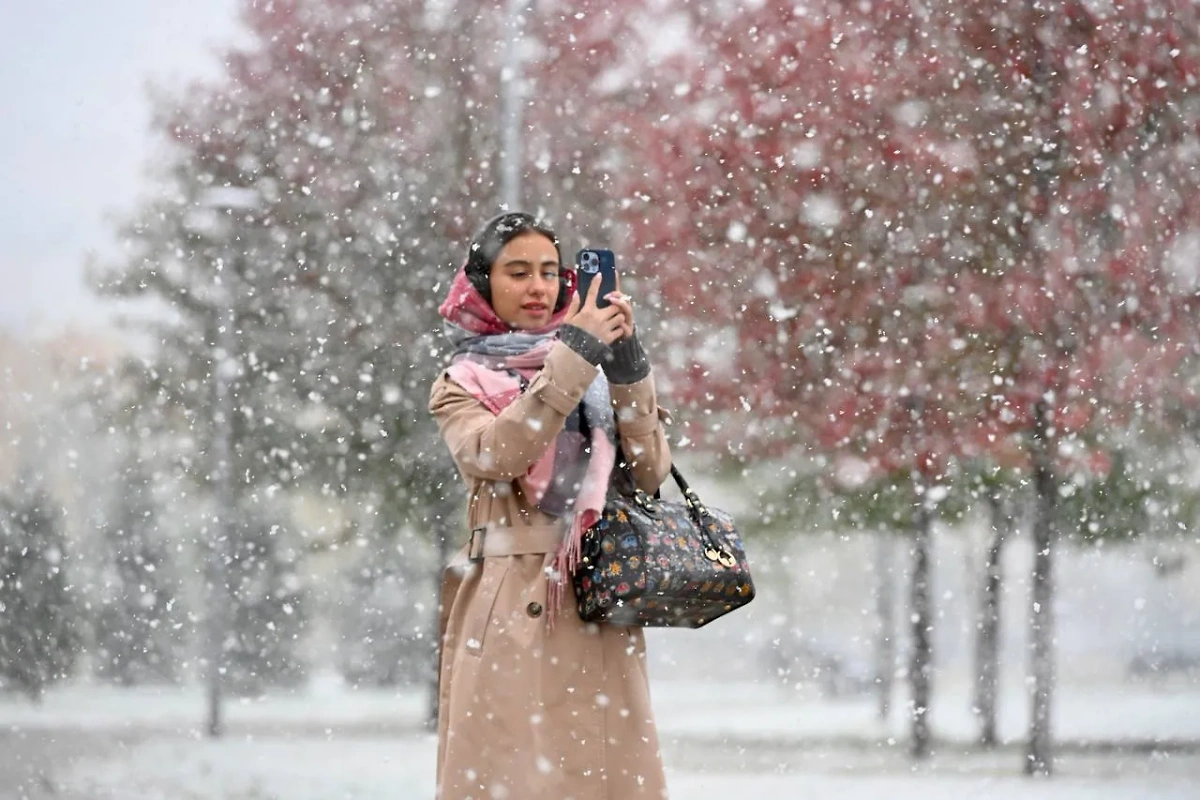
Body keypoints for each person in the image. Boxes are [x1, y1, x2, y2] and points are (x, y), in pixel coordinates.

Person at [428, 212, 673, 799]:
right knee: (516, 775)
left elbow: (650, 472)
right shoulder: (460, 381)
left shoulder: (592, 375)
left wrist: (629, 370)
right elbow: (499, 453)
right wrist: (576, 353)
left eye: (547, 272)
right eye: (517, 272)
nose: (538, 287)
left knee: (605, 777)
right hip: (509, 603)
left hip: (597, 598)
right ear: (484, 284)